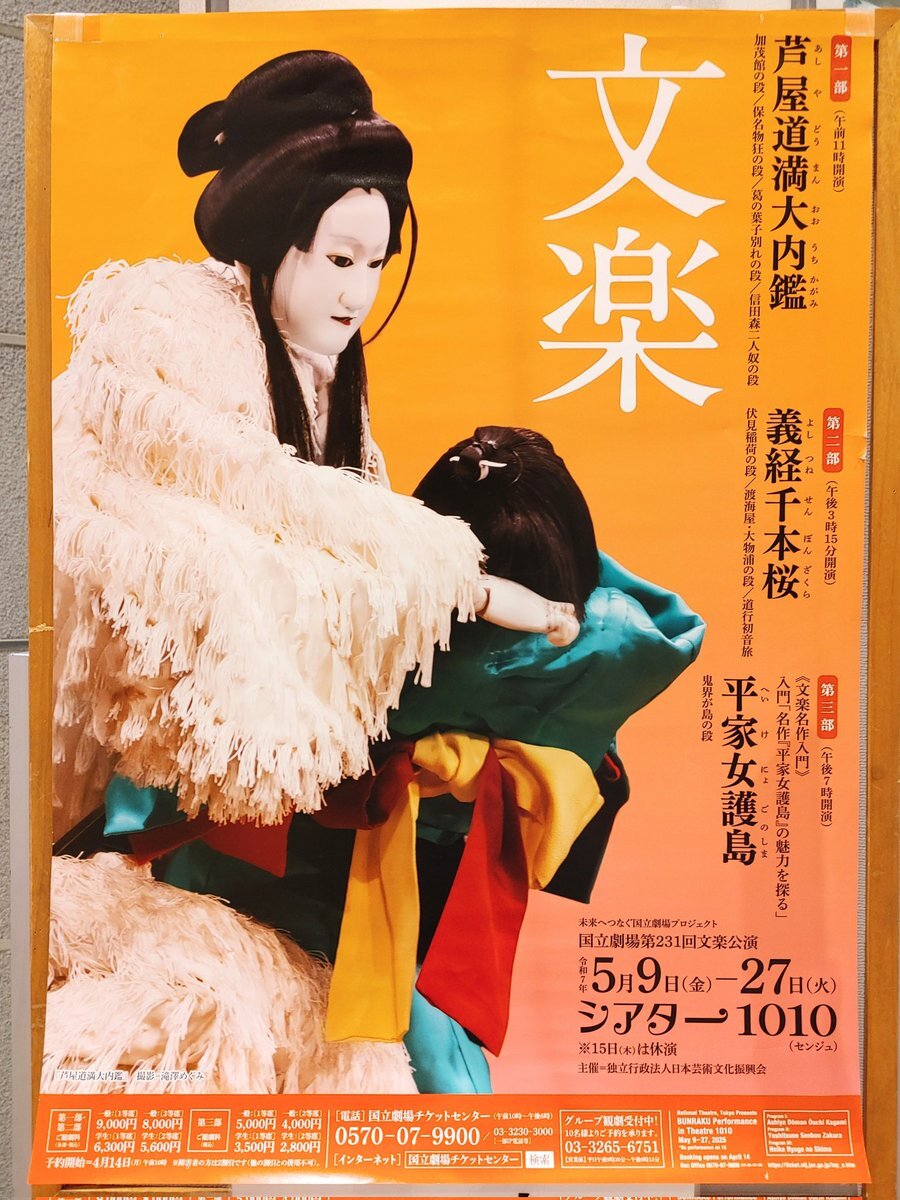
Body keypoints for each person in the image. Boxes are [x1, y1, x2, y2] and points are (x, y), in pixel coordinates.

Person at [51, 50, 576, 847]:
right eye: (338, 260)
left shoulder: (320, 370)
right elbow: (255, 521)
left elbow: (352, 526)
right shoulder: (165, 323)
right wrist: (462, 586)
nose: (357, 293)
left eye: (375, 264)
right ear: (272, 236)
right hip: (102, 750)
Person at [106, 426, 704, 1095]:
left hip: (335, 846)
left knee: (357, 1021)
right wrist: (540, 603)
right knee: (412, 1031)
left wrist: (462, 596)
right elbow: (659, 627)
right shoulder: (618, 640)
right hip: (403, 848)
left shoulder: (374, 628)